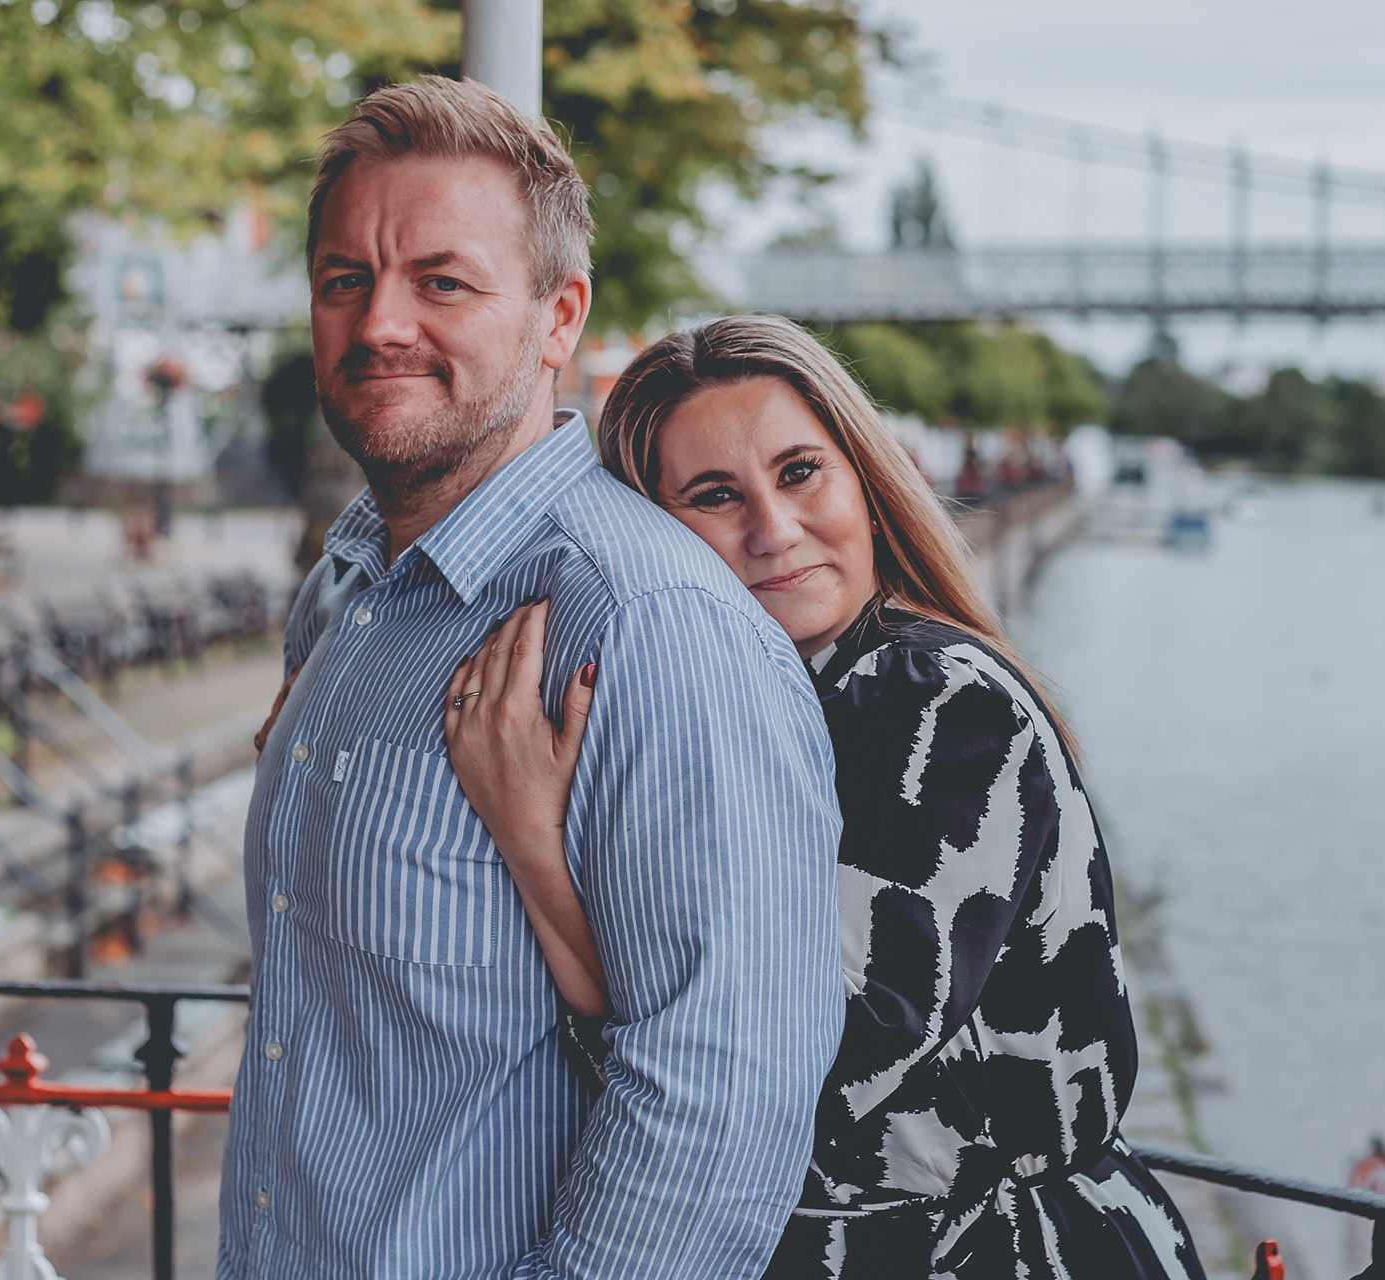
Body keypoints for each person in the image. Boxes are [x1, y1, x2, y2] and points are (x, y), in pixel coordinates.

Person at [222, 81, 843, 1279]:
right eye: (344, 278)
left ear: (560, 319)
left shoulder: (649, 626)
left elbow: (719, 1105)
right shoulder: (345, 592)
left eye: (442, 282)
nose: (379, 322)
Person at [446, 315, 1208, 1279]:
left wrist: (531, 838)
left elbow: (800, 1060)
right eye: (715, 495)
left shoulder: (936, 704)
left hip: (992, 1252)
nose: (773, 530)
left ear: (866, 484)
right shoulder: (766, 703)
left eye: (800, 471)